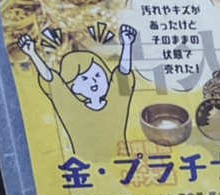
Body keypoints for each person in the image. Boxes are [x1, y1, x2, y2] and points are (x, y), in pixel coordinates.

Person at [17, 23, 137, 159]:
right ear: (73, 87)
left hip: (123, 165)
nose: (94, 81)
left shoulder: (116, 99)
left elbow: (123, 74)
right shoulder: (71, 106)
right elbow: (51, 81)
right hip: (83, 167)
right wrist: (32, 54)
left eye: (98, 75)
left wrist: (127, 45)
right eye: (84, 79)